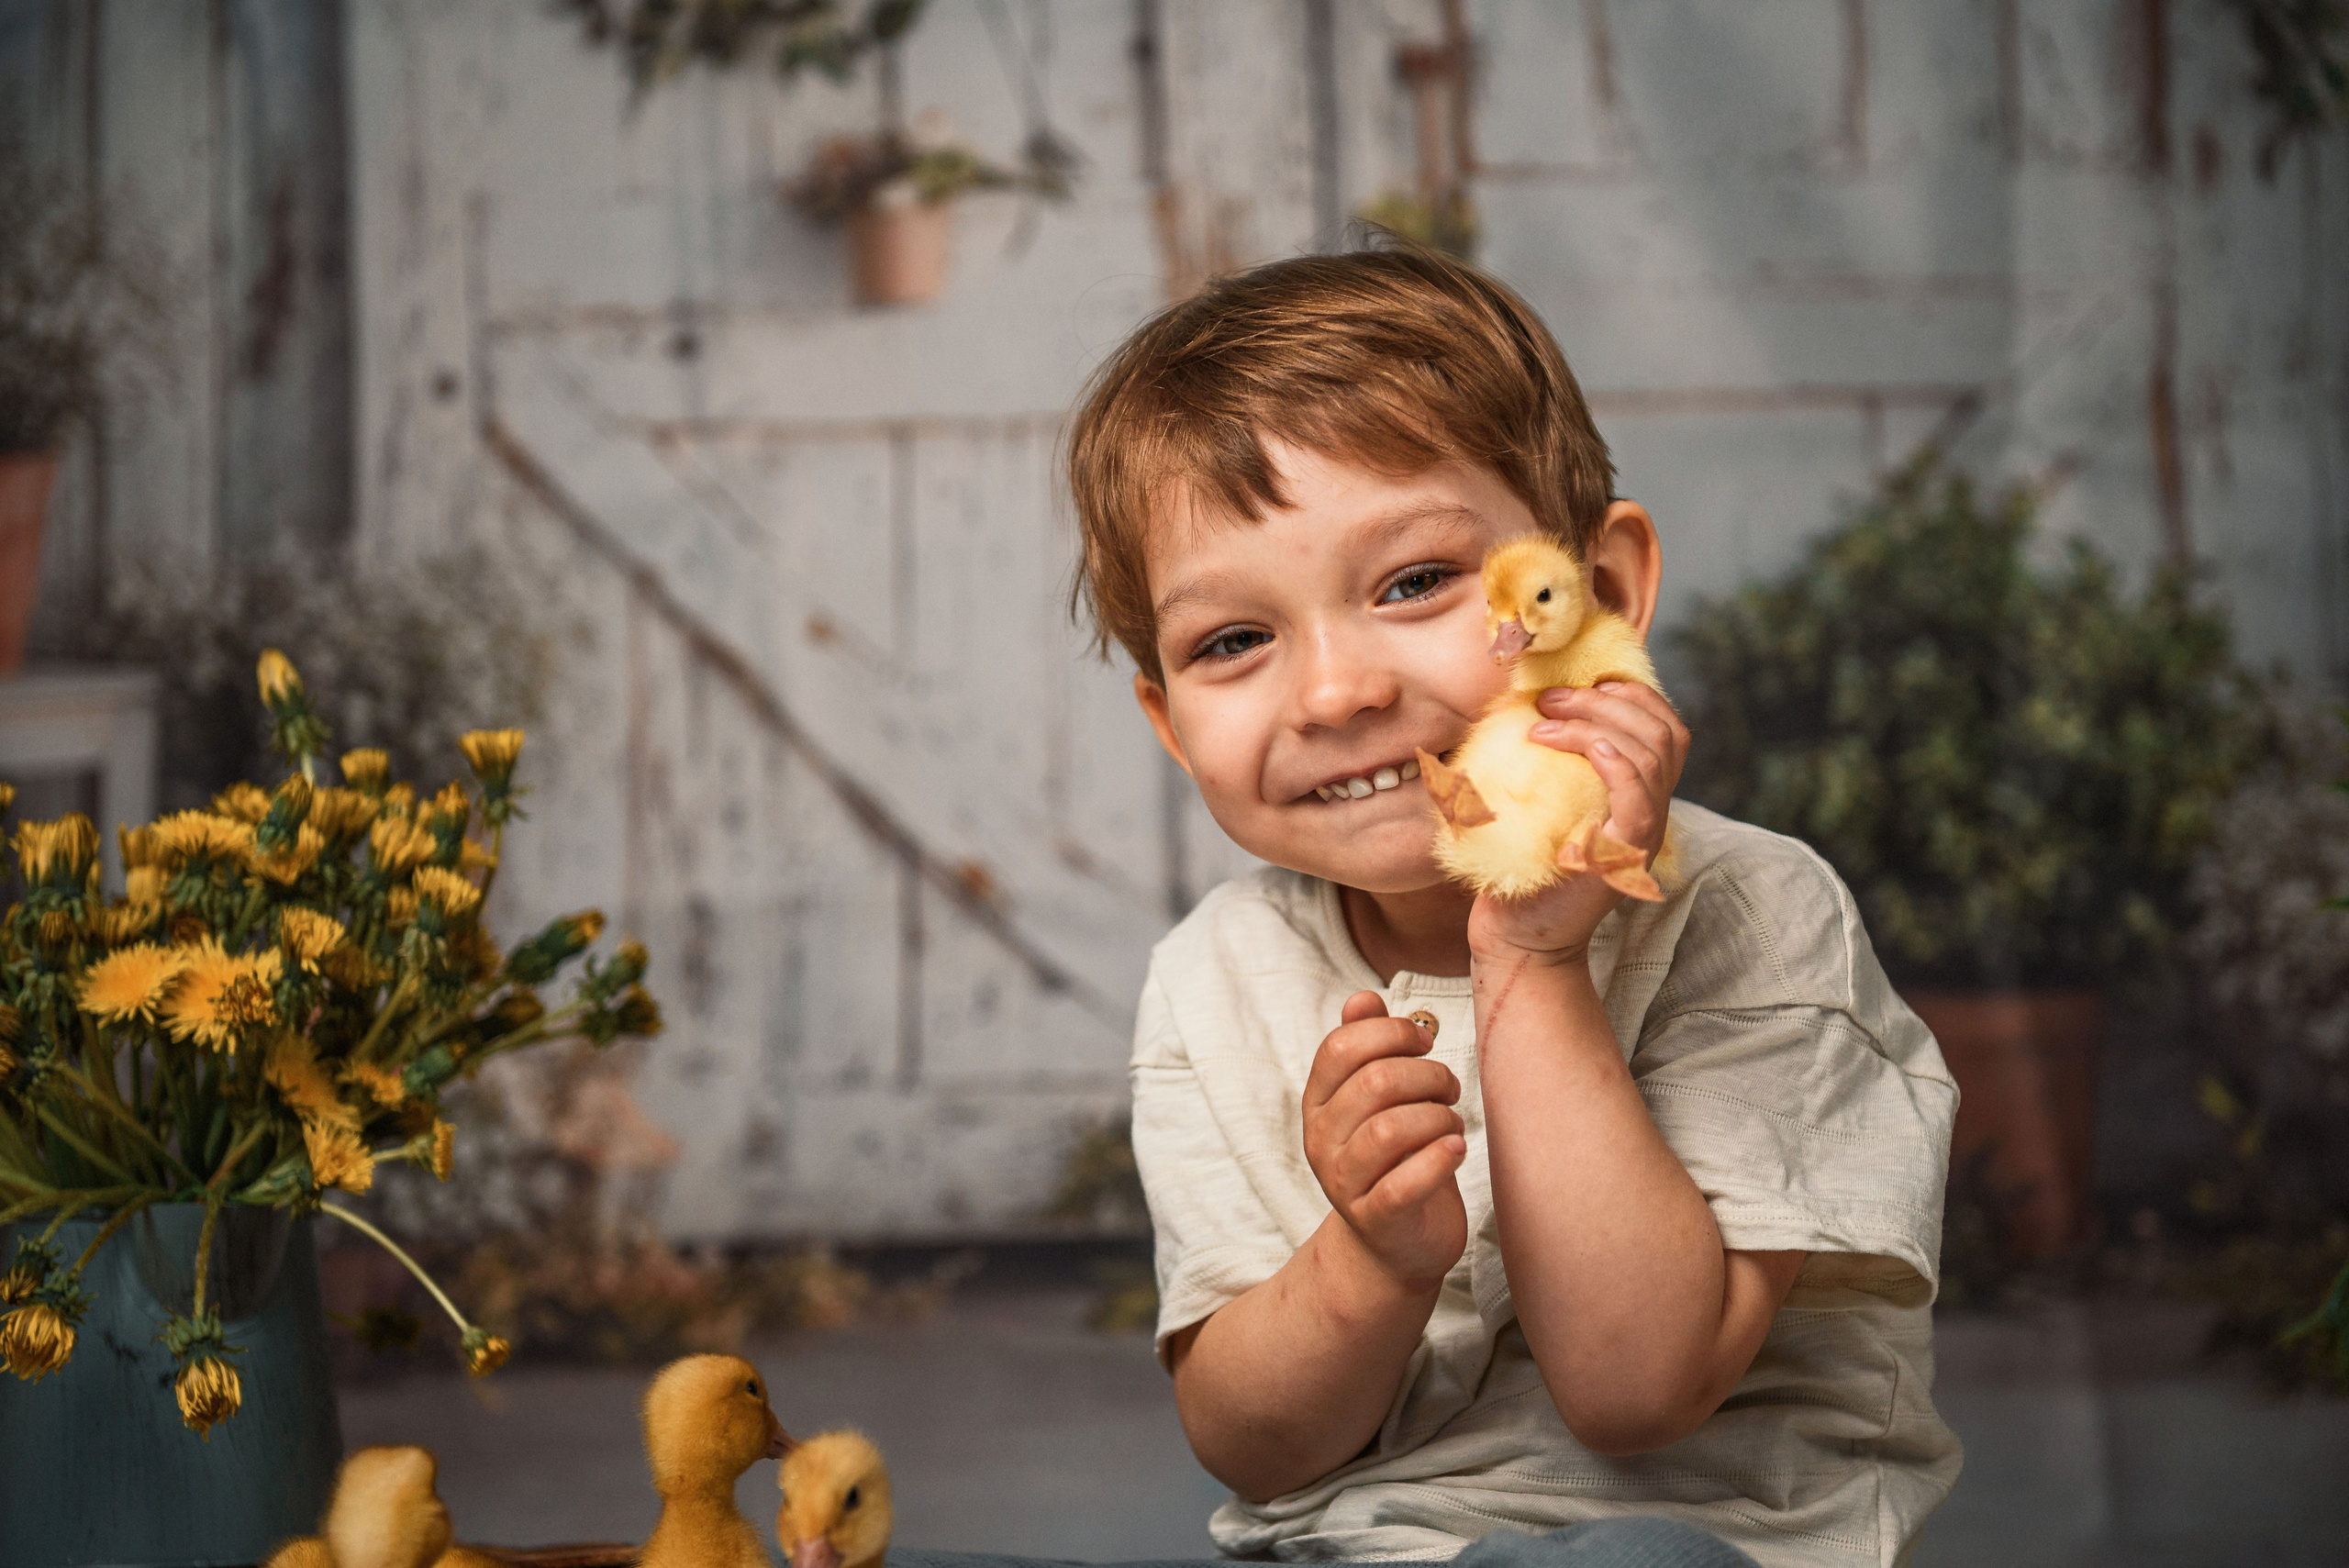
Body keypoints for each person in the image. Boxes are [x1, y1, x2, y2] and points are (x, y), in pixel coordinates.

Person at [1061, 243, 1962, 1568]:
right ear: (1170, 722)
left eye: (1415, 581)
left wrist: (1533, 956)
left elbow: (1635, 1386)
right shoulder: (1217, 974)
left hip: (1679, 1544)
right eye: (1233, 641)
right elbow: (1251, 1443)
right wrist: (1371, 1260)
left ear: (1598, 593)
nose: (1334, 693)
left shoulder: (1755, 911)